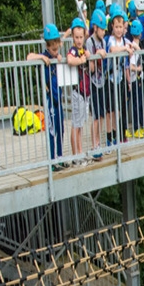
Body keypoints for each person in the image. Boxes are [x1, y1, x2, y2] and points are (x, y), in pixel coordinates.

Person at [27, 24, 67, 171]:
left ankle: (60, 157)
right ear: (48, 46)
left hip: (59, 97)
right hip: (50, 99)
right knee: (51, 130)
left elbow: (63, 40)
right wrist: (42, 57)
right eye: (53, 49)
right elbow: (29, 57)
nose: (55, 52)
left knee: (60, 127)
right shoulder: (45, 56)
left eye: (57, 49)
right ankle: (52, 160)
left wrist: (59, 56)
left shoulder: (58, 55)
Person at [107, 6, 134, 143]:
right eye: (116, 27)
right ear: (113, 26)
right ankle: (111, 134)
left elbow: (134, 46)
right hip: (112, 78)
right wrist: (125, 49)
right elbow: (112, 50)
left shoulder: (125, 40)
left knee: (121, 107)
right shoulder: (112, 40)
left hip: (122, 78)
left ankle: (120, 133)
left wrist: (131, 48)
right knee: (113, 109)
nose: (118, 30)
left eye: (120, 27)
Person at [66, 17, 91, 166]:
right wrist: (81, 60)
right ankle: (75, 155)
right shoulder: (74, 50)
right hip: (78, 90)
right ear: (73, 38)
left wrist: (86, 56)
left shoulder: (83, 50)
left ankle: (80, 152)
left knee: (80, 124)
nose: (79, 40)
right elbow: (70, 60)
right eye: (77, 37)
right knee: (75, 124)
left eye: (81, 37)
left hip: (85, 91)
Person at [86, 10, 109, 159]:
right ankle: (94, 144)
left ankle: (98, 141)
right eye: (101, 29)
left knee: (101, 114)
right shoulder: (90, 42)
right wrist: (95, 56)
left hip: (102, 80)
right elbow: (91, 67)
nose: (104, 32)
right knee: (95, 115)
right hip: (93, 81)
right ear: (95, 28)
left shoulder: (103, 41)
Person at [126, 20, 144, 138]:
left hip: (138, 79)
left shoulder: (137, 46)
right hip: (134, 79)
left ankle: (141, 126)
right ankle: (136, 128)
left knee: (139, 102)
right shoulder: (133, 47)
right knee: (136, 103)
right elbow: (131, 66)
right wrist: (138, 69)